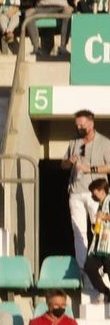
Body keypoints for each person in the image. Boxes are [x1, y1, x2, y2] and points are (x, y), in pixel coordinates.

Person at [64, 110, 110, 267]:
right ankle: (82, 267)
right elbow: (63, 165)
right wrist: (69, 162)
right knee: (79, 232)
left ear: (91, 123)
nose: (79, 128)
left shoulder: (104, 143)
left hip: (95, 193)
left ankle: (102, 265)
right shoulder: (74, 142)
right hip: (76, 191)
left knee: (98, 229)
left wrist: (91, 169)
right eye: (77, 126)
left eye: (82, 125)